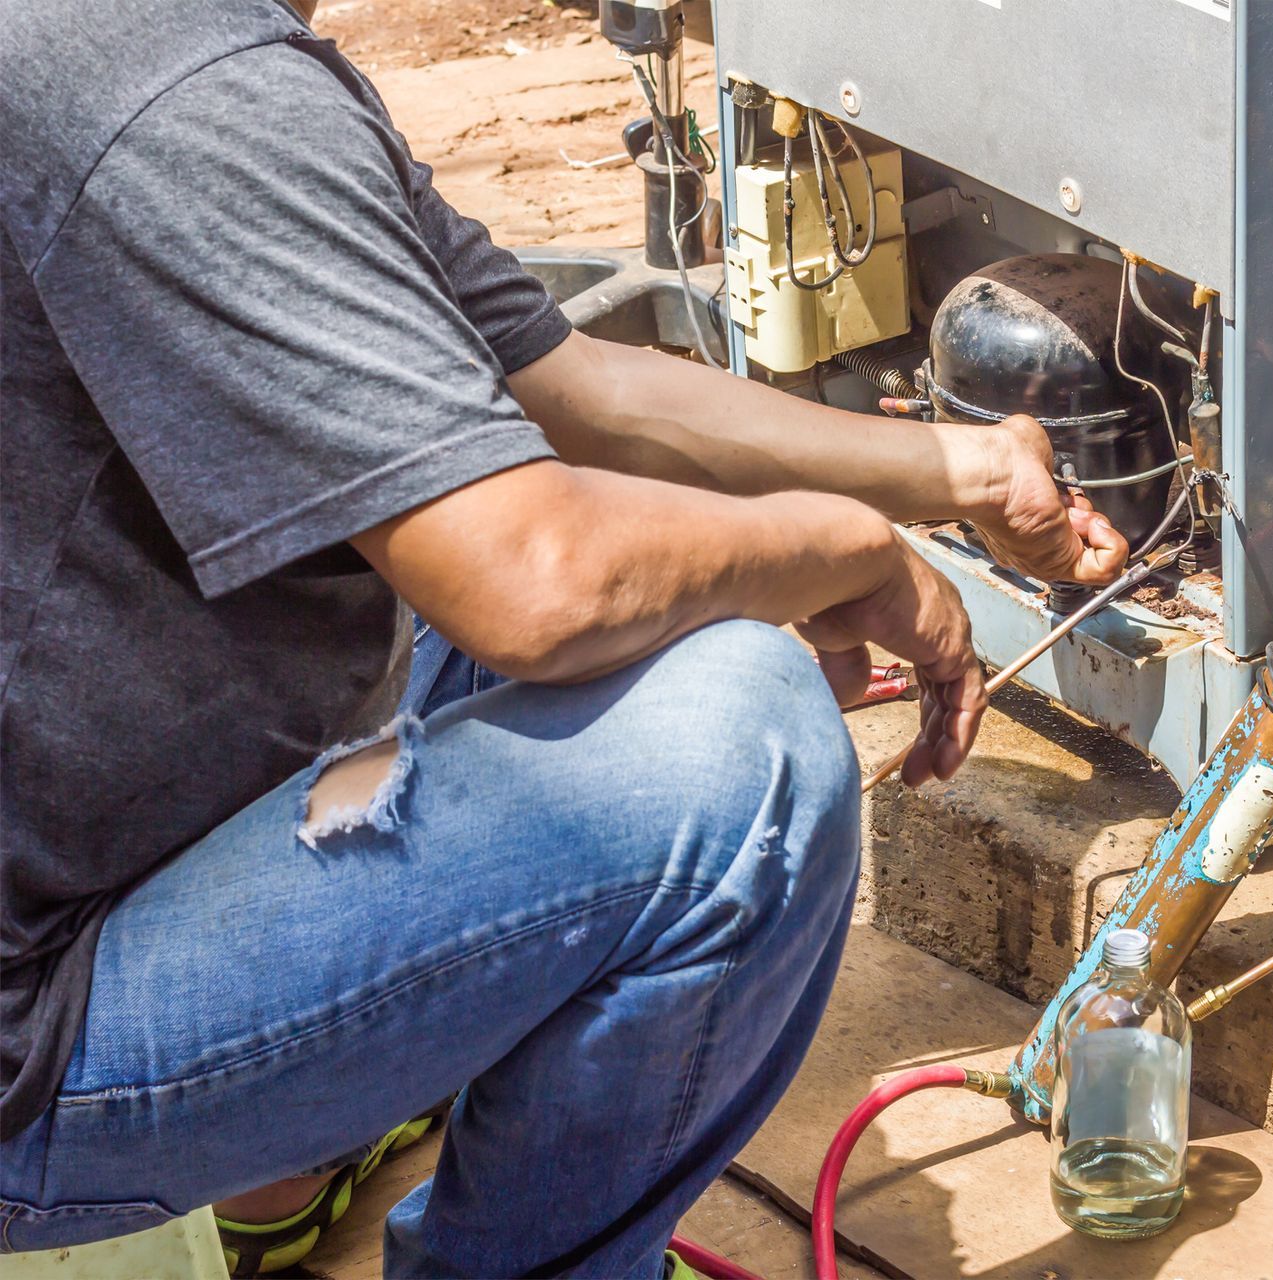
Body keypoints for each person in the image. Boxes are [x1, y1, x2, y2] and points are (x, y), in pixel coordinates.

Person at [0, 0, 1127, 1274]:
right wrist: (846, 547)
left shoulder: (118, 39)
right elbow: (537, 583)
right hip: (33, 1040)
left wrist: (963, 469)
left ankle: (287, 1154)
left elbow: (580, 394)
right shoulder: (194, 93)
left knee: (521, 521)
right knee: (733, 748)